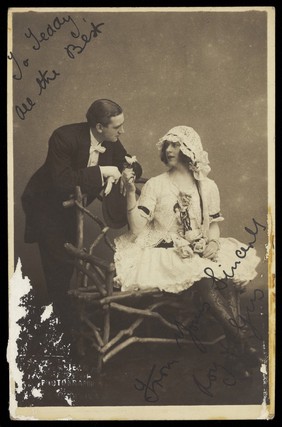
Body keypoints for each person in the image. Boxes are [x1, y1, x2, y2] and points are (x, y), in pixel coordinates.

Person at [115, 125, 262, 378]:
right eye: (167, 146)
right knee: (206, 279)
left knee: (224, 279)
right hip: (163, 251)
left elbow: (213, 225)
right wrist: (130, 194)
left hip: (198, 249)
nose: (169, 150)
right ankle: (243, 342)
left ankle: (237, 353)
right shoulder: (156, 185)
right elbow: (138, 230)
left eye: (176, 145)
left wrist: (213, 243)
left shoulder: (208, 187)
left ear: (189, 150)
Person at [21, 99, 141, 341]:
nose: (122, 131)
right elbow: (62, 182)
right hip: (45, 205)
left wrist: (127, 173)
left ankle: (68, 321)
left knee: (69, 263)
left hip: (70, 208)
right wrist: (103, 172)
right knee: (60, 266)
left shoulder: (111, 140)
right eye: (117, 127)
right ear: (99, 127)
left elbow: (130, 162)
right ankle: (65, 335)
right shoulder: (63, 137)